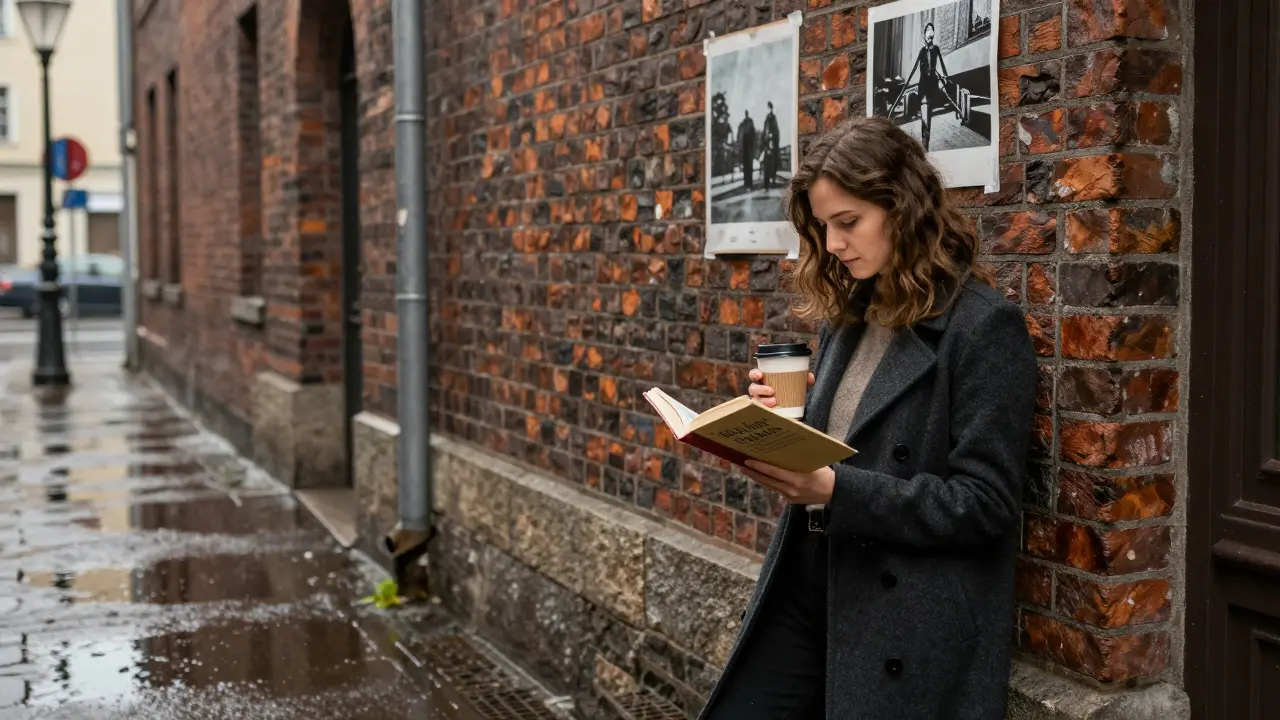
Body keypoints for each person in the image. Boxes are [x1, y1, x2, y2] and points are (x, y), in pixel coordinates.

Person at [698, 116, 1036, 719]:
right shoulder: (851, 312)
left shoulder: (983, 328)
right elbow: (851, 442)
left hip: (898, 619)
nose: (832, 244)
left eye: (848, 222)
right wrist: (783, 423)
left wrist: (835, 489)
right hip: (811, 580)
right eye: (823, 226)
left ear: (902, 208)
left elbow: (986, 503)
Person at [891, 22, 962, 150]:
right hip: (923, 86)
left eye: (931, 30)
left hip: (934, 83)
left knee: (945, 94)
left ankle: (958, 109)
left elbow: (941, 63)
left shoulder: (936, 49)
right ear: (924, 35)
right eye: (928, 30)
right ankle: (925, 142)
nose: (930, 32)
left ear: (933, 34)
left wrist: (946, 77)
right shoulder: (922, 51)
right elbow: (914, 68)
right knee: (925, 112)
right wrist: (906, 84)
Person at [762, 101, 781, 188]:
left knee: (773, 162)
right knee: (767, 163)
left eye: (770, 107)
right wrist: (765, 139)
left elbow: (776, 130)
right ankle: (768, 180)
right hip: (767, 143)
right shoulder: (767, 118)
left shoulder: (773, 117)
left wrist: (772, 136)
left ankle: (772, 179)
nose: (769, 109)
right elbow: (765, 130)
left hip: (773, 143)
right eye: (768, 107)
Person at [738, 110, 757, 189]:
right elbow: (740, 133)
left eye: (746, 113)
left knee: (749, 165)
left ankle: (749, 183)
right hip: (745, 147)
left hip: (749, 147)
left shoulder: (749, 122)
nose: (746, 114)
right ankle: (747, 183)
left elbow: (753, 134)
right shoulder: (744, 123)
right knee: (746, 166)